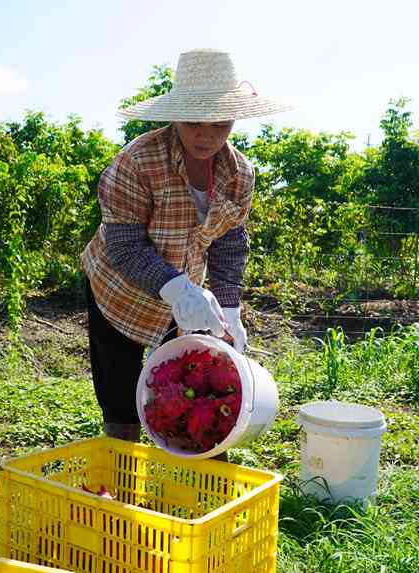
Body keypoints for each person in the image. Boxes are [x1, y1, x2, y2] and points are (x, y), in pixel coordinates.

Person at [81, 49, 290, 454]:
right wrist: (177, 288)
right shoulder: (137, 162)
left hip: (188, 300)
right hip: (118, 293)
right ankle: (123, 483)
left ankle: (199, 477)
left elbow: (230, 242)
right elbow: (124, 245)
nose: (206, 135)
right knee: (122, 404)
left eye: (220, 123)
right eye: (194, 121)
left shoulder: (239, 173)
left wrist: (229, 309)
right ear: (175, 116)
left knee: (196, 389)